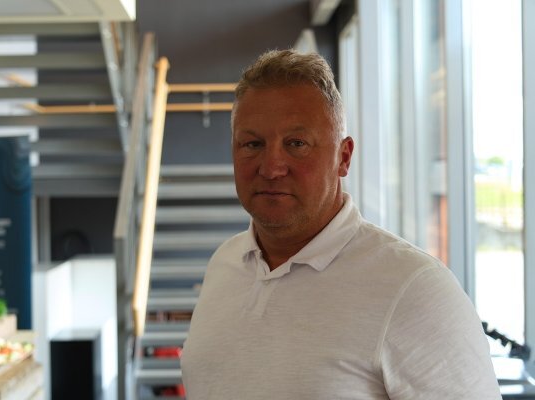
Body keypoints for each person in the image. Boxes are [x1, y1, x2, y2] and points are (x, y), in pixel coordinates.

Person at [180, 49, 501, 399]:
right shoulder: (224, 265)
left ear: (343, 157)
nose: (271, 167)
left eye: (296, 144)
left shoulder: (416, 290)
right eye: (252, 144)